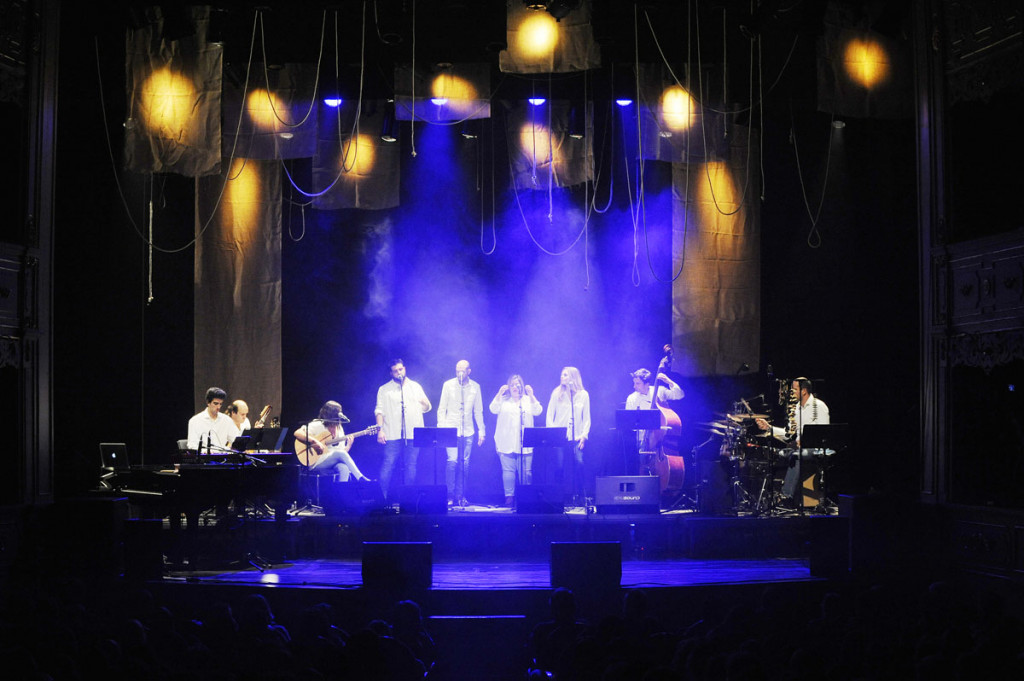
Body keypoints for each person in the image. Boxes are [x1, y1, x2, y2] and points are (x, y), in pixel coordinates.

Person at [755, 377, 830, 505]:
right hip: (801, 448)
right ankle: (769, 495)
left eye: (794, 390)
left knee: (796, 455)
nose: (791, 393)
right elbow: (789, 434)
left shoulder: (819, 406)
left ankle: (786, 496)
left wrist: (805, 442)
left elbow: (823, 435)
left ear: (804, 391)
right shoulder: (796, 409)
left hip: (817, 449)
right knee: (777, 453)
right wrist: (769, 427)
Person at [375, 358, 432, 502]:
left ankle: (408, 499)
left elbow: (427, 407)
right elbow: (379, 411)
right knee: (388, 464)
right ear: (391, 373)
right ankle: (382, 499)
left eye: (400, 369)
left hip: (413, 433)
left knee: (411, 465)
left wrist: (425, 404)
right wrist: (379, 430)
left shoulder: (415, 386)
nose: (399, 372)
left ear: (404, 369)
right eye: (395, 371)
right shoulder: (384, 389)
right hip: (392, 433)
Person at [437, 360, 486, 507]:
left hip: (468, 431)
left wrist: (481, 431)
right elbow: (441, 409)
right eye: (457, 369)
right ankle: (450, 495)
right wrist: (441, 429)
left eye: (463, 370)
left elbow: (478, 411)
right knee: (452, 462)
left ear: (469, 371)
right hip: (450, 430)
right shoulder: (448, 385)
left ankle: (461, 495)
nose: (460, 372)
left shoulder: (475, 387)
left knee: (464, 465)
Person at [490, 374, 543, 507]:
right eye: (512, 385)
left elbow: (538, 411)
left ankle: (525, 497)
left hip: (524, 443)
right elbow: (493, 409)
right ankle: (509, 498)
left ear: (522, 386)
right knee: (508, 472)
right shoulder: (503, 400)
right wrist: (499, 394)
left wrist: (532, 395)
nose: (515, 387)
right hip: (506, 441)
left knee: (526, 473)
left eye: (517, 384)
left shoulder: (526, 400)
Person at [546, 367, 591, 505]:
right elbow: (549, 415)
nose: (562, 377)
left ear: (573, 377)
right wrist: (553, 434)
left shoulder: (583, 394)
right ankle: (558, 497)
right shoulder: (556, 393)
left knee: (579, 463)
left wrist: (584, 435)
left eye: (565, 375)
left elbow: (587, 418)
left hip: (576, 437)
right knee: (559, 466)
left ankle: (580, 496)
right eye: (561, 375)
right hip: (560, 437)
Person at [294, 400, 371, 481]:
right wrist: (314, 441)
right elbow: (297, 433)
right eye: (337, 411)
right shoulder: (318, 424)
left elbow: (342, 453)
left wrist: (348, 445)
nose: (340, 413)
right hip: (315, 460)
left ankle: (341, 492)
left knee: (344, 468)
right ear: (330, 413)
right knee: (340, 455)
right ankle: (361, 478)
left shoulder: (339, 428)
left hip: (330, 460)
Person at [186, 387, 236, 452]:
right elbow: (192, 445)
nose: (218, 407)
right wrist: (205, 451)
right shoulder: (195, 421)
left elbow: (235, 439)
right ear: (208, 403)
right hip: (204, 459)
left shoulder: (227, 420)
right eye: (215, 403)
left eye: (220, 404)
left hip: (223, 459)